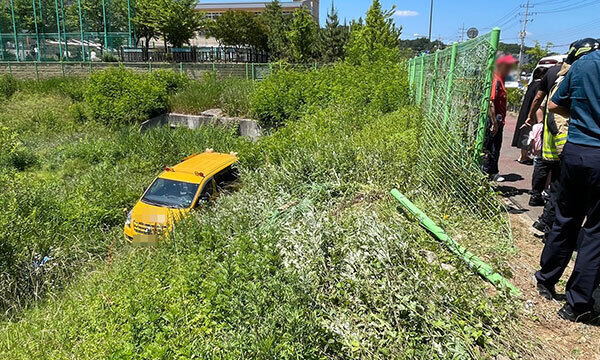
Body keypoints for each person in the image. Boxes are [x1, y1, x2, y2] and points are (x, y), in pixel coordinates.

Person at [535, 38, 600, 323]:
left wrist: (580, 118)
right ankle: (577, 304)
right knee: (596, 232)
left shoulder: (584, 63)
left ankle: (546, 279)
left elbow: (554, 104)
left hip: (576, 151)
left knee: (565, 217)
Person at [525, 63, 564, 206]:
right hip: (566, 128)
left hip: (549, 126)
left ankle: (535, 195)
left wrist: (530, 116)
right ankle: (551, 202)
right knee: (560, 169)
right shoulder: (576, 71)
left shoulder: (551, 72)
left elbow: (538, 98)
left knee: (542, 162)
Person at [483, 55, 518, 182]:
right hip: (493, 120)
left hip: (498, 120)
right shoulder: (495, 80)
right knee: (491, 147)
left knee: (495, 147)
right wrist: (494, 122)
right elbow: (490, 102)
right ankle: (487, 173)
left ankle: (492, 172)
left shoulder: (502, 80)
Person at [512, 66, 549, 163]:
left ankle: (523, 155)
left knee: (525, 132)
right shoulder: (539, 85)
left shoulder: (532, 84)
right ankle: (524, 156)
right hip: (532, 112)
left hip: (525, 110)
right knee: (530, 133)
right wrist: (538, 120)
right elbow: (538, 101)